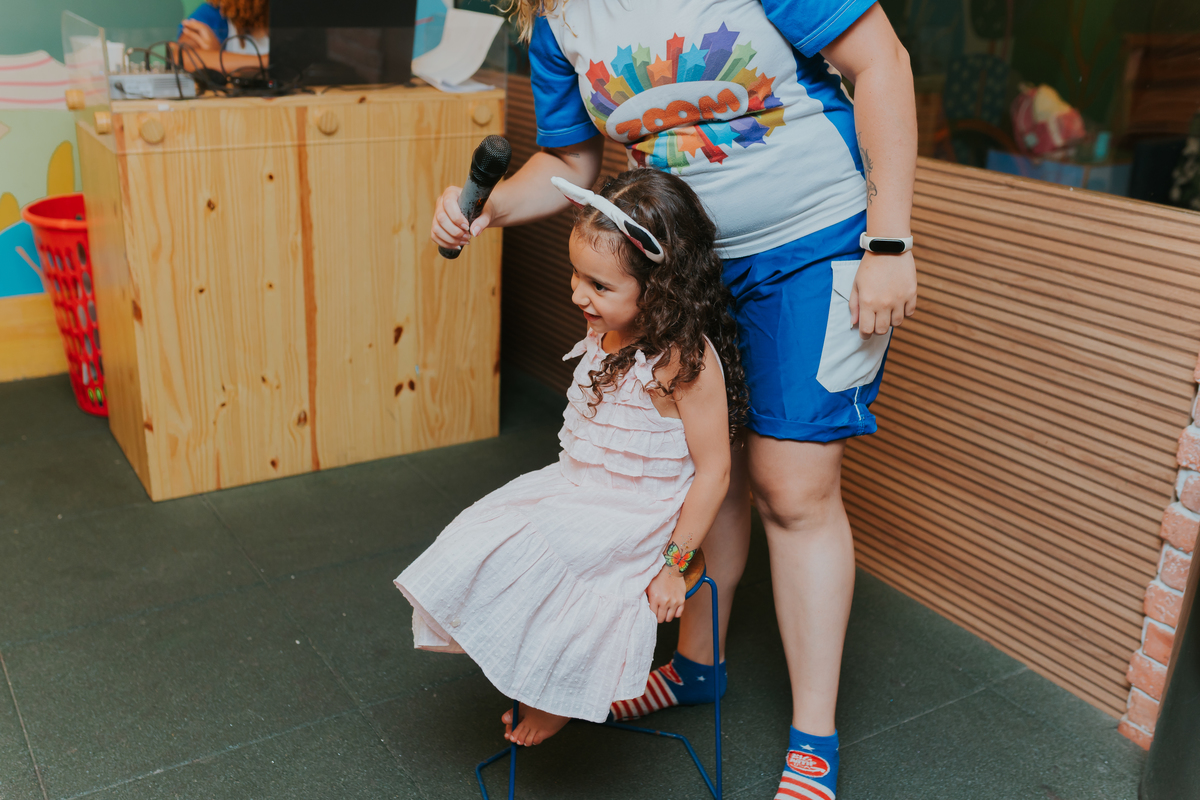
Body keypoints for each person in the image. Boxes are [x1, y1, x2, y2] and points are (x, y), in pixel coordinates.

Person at [430, 2, 918, 797]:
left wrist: (889, 240)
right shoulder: (556, 21)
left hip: (815, 238)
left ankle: (814, 739)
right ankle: (698, 664)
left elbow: (881, 63)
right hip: (685, 265)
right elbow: (568, 160)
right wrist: (488, 208)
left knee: (793, 489)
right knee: (703, 463)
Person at [398, 168, 748, 746]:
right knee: (494, 531)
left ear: (659, 288)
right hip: (580, 485)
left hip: (638, 513)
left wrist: (672, 563)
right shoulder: (610, 327)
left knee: (561, 556)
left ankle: (558, 693)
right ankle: (533, 666)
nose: (578, 295)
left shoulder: (683, 359)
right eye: (576, 276)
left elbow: (715, 473)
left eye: (600, 286)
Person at [175, 0, 270, 72]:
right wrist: (269, 61)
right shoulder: (215, 11)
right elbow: (181, 58)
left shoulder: (280, 14)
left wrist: (218, 62)